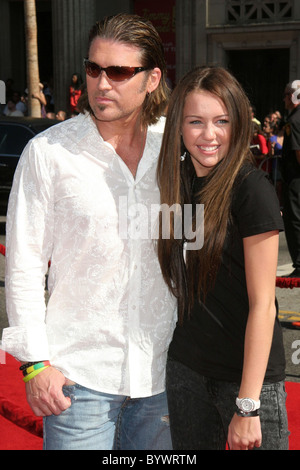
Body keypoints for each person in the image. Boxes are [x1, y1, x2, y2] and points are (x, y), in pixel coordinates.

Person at [2, 13, 176, 450]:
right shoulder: (49, 153)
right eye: (94, 68)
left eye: (118, 72)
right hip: (78, 379)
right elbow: (23, 265)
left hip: (165, 376)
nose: (101, 83)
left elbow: (192, 249)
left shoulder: (174, 149)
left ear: (152, 78)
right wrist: (35, 364)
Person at [156, 66, 289, 450]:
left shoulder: (250, 189)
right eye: (195, 121)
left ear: (238, 124)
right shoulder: (174, 183)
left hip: (247, 379)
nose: (209, 134)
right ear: (178, 126)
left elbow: (264, 305)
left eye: (221, 121)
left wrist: (247, 406)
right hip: (186, 371)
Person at [282, 81, 300, 278]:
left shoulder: (294, 120)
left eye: (287, 95)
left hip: (295, 179)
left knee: (295, 220)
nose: (284, 99)